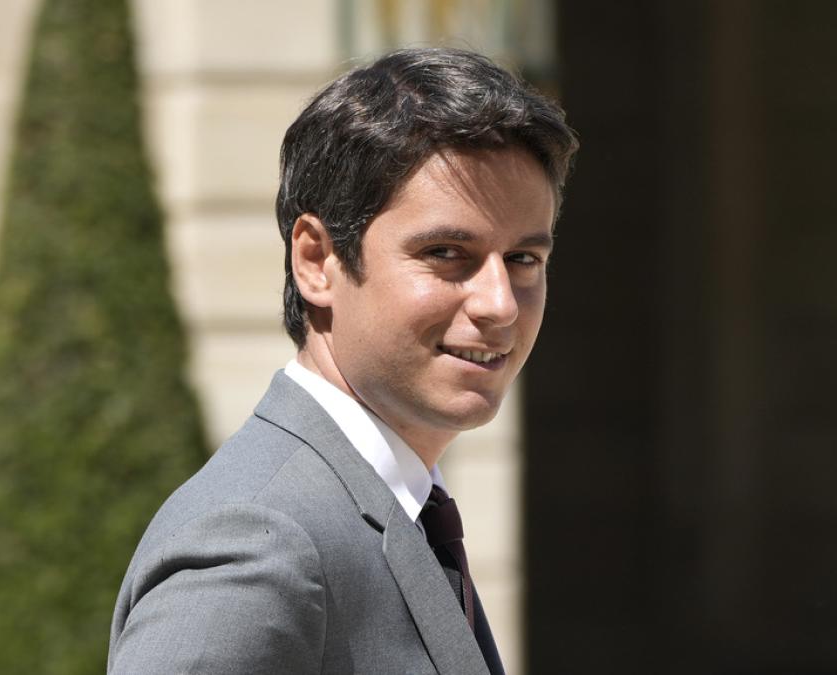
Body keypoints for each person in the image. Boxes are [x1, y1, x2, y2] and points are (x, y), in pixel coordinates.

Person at [107, 47, 577, 675]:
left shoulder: (399, 509)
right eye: (445, 252)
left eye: (523, 259)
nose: (500, 305)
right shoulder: (256, 545)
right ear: (316, 261)